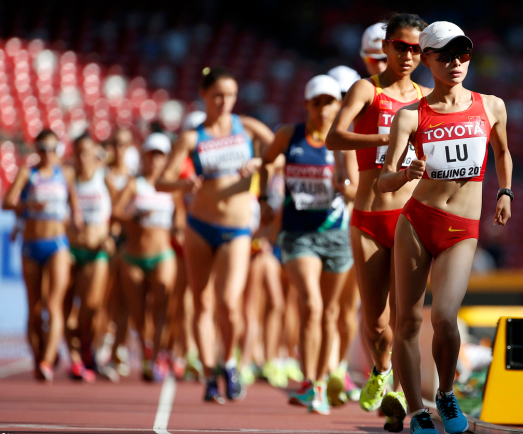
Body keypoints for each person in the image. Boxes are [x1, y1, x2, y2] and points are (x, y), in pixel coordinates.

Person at [378, 21, 512, 434]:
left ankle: (446, 392)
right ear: (427, 59)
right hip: (417, 222)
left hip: (462, 228)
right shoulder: (410, 116)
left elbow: (503, 152)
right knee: (407, 321)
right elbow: (384, 180)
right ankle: (417, 409)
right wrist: (404, 174)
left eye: (463, 54)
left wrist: (505, 192)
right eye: (446, 55)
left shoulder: (491, 105)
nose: (456, 62)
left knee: (446, 317)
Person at [326, 13, 430, 432]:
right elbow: (334, 136)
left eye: (416, 49)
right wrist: (384, 139)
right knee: (376, 322)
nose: (408, 55)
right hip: (368, 216)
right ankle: (381, 369)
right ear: (385, 48)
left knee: (408, 318)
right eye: (401, 46)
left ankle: (403, 398)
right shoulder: (366, 89)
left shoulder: (427, 97)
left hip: (409, 217)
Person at [156, 67, 274, 403]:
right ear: (204, 96)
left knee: (228, 304)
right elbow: (160, 182)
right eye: (217, 95)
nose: (224, 102)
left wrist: (258, 162)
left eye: (230, 95)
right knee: (202, 302)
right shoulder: (192, 138)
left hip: (236, 229)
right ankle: (209, 374)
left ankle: (228, 363)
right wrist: (183, 183)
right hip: (199, 227)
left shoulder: (247, 127)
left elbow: (280, 154)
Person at [260, 74, 355, 415]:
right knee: (312, 305)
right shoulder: (290, 135)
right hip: (298, 236)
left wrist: (342, 185)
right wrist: (262, 198)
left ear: (337, 105)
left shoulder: (344, 140)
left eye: (329, 102)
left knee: (328, 314)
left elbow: (356, 189)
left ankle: (321, 379)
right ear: (307, 105)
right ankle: (311, 382)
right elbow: (267, 159)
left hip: (336, 235)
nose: (323, 109)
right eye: (317, 102)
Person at [3, 129, 81, 381]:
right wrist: (28, 206)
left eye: (51, 149)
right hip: (31, 244)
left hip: (57, 243)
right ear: (36, 150)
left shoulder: (65, 173)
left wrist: (76, 221)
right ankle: (38, 355)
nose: (47, 154)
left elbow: (75, 206)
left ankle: (48, 360)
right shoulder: (29, 173)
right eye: (42, 149)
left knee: (54, 303)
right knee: (35, 308)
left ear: (58, 149)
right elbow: (7, 202)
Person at [112, 133, 180, 381]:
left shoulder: (171, 186)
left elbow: (180, 216)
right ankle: (146, 348)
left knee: (162, 308)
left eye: (160, 156)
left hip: (162, 254)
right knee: (139, 314)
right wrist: (135, 215)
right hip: (133, 256)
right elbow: (116, 211)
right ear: (144, 157)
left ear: (166, 159)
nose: (155, 161)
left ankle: (157, 355)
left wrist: (180, 230)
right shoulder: (134, 184)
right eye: (151, 155)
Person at [64, 133, 113, 383]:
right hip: (71, 251)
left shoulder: (104, 177)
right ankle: (74, 360)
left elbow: (121, 207)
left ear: (96, 153)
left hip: (97, 252)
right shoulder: (67, 178)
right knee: (67, 308)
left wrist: (112, 233)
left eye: (88, 152)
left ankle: (86, 347)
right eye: (79, 152)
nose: (83, 158)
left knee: (91, 308)